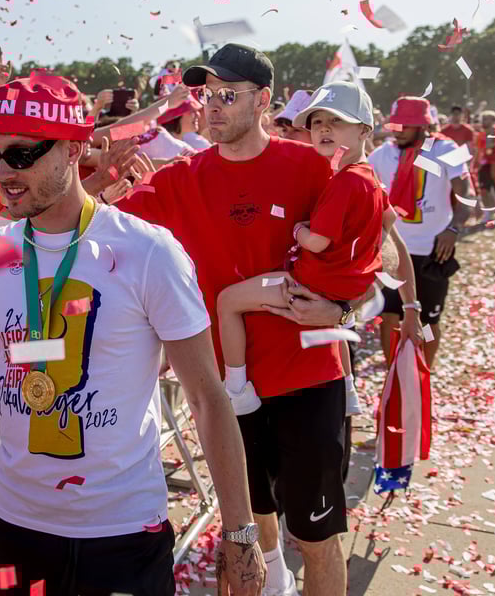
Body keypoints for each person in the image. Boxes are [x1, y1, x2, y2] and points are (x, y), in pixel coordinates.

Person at [0, 73, 265, 596]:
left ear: (74, 149)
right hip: (16, 529)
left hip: (122, 533)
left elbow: (207, 399)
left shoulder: (148, 252)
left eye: (23, 155)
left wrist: (240, 534)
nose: (5, 174)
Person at [117, 44, 362, 596]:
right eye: (206, 96)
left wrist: (343, 308)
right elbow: (88, 220)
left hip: (308, 380)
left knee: (318, 539)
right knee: (255, 529)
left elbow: (381, 251)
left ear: (263, 101)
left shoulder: (313, 168)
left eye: (228, 95)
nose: (212, 107)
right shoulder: (181, 178)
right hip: (225, 391)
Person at [216, 82, 420, 418]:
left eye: (335, 121)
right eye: (313, 124)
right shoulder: (357, 176)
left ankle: (235, 388)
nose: (321, 130)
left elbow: (390, 245)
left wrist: (346, 306)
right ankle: (348, 388)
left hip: (312, 343)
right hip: (281, 356)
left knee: (228, 301)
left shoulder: (346, 180)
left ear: (363, 130)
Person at [370, 96, 474, 370]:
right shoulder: (383, 153)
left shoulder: (447, 148)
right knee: (389, 316)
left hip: (433, 251)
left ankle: (423, 373)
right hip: (393, 253)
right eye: (395, 124)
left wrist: (453, 229)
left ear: (421, 125)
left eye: (404, 125)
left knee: (429, 320)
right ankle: (395, 372)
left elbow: (468, 195)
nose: (397, 130)